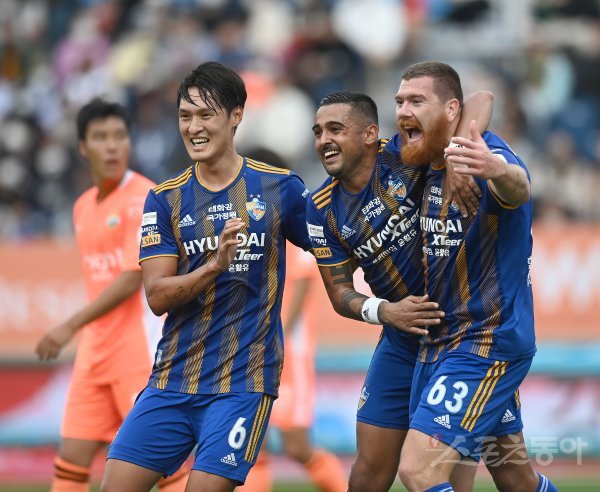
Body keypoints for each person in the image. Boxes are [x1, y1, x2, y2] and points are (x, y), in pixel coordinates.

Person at [100, 61, 312, 492]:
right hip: (172, 381)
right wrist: (214, 266)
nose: (193, 127)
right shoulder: (165, 200)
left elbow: (334, 248)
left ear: (236, 115)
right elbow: (157, 296)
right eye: (185, 116)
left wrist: (375, 306)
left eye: (205, 115)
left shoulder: (280, 189)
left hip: (243, 385)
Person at [306, 90, 492, 492]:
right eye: (318, 132)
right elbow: (339, 293)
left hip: (461, 336)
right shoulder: (320, 207)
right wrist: (386, 312)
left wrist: (457, 160)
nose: (324, 140)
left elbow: (480, 100)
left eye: (335, 129)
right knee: (367, 473)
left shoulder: (404, 155)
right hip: (400, 339)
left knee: (483, 474)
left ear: (370, 133)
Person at [393, 61, 558, 492]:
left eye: (416, 101)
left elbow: (517, 187)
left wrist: (494, 169)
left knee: (419, 469)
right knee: (515, 477)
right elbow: (481, 97)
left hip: (486, 343)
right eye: (399, 101)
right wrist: (454, 153)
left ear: (451, 110)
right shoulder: (425, 156)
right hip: (443, 343)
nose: (403, 110)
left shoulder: (486, 158)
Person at [35, 98, 188, 492]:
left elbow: (131, 278)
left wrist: (69, 325)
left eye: (119, 136)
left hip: (137, 353)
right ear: (82, 147)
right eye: (101, 137)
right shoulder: (82, 207)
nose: (112, 146)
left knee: (165, 466)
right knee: (71, 459)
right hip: (95, 353)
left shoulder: (145, 197)